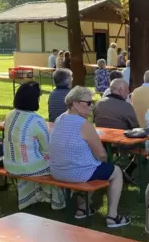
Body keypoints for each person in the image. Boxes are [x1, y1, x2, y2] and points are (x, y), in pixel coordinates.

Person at [50, 86, 130, 228]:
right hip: (77, 173)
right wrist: (103, 161)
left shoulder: (59, 119)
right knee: (115, 171)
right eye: (88, 103)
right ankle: (112, 216)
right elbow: (101, 154)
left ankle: (83, 208)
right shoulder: (84, 124)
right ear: (75, 103)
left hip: (57, 171)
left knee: (89, 166)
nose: (91, 106)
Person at [4, 82, 65, 210]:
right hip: (28, 167)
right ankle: (56, 199)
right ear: (34, 99)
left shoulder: (10, 115)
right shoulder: (36, 119)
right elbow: (47, 148)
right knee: (61, 163)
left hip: (10, 164)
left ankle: (37, 194)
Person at [94, 79, 139, 181]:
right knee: (147, 143)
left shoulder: (99, 103)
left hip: (102, 141)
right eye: (127, 90)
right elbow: (135, 127)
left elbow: (95, 121)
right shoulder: (126, 106)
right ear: (120, 90)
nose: (128, 93)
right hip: (122, 142)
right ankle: (129, 170)